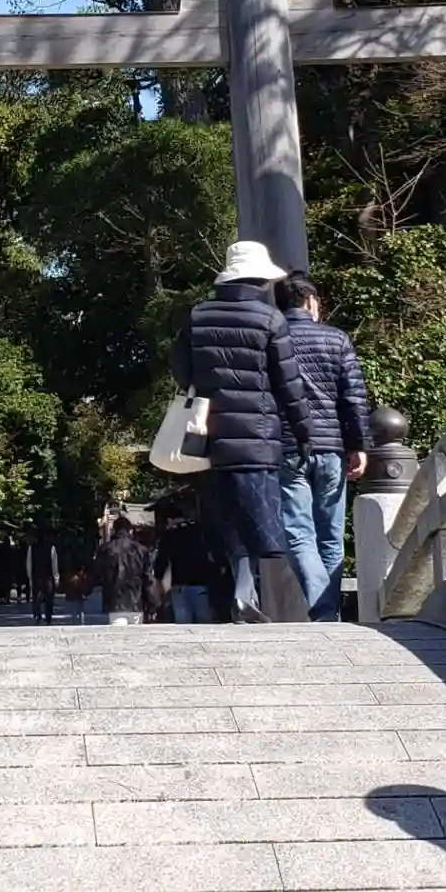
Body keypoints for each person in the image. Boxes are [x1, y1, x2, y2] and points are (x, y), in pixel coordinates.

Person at [170, 239, 313, 623]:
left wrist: (207, 386)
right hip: (258, 439)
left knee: (227, 520)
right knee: (264, 522)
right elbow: (289, 385)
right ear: (260, 280)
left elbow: (181, 370)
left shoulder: (198, 316)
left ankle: (240, 594)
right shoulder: (270, 320)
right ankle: (280, 604)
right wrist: (303, 433)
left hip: (209, 438)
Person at [274, 272, 371, 621]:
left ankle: (325, 613)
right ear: (310, 300)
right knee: (331, 537)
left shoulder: (271, 339)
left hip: (287, 446)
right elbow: (353, 398)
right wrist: (359, 445)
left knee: (300, 534)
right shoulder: (336, 339)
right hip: (331, 448)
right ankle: (329, 615)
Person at [154, 500, 219, 624]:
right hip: (201, 584)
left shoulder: (170, 535)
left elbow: (161, 561)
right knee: (204, 623)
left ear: (169, 520)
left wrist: (159, 582)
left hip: (179, 585)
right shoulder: (199, 531)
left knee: (183, 623)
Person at [90, 515, 156, 626]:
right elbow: (147, 579)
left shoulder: (106, 549)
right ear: (130, 531)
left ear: (114, 530)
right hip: (136, 602)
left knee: (117, 634)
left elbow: (97, 574)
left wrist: (87, 588)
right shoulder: (141, 550)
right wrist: (152, 604)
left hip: (114, 602)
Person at [26, 528, 59, 626]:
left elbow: (29, 563)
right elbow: (54, 564)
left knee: (36, 597)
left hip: (36, 575)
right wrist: (56, 577)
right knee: (49, 598)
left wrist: (29, 577)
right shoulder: (51, 548)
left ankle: (37, 616)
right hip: (48, 576)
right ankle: (48, 617)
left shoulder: (32, 548)